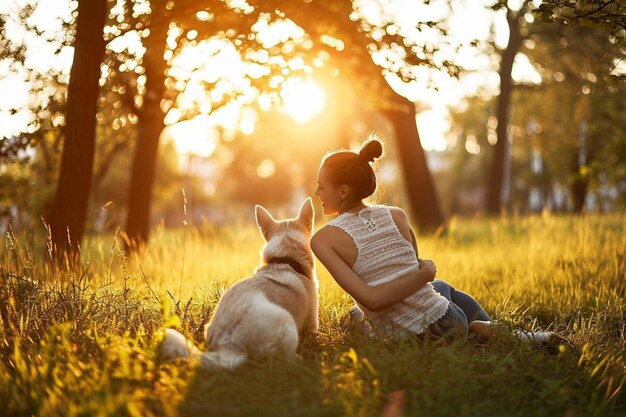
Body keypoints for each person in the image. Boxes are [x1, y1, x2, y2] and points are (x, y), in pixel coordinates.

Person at [310, 135, 560, 344]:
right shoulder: (396, 215)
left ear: (343, 191)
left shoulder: (322, 240)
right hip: (449, 321)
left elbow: (373, 301)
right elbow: (414, 274)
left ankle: (485, 330)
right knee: (439, 287)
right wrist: (425, 274)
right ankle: (499, 331)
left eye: (321, 186)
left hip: (402, 339)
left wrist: (422, 276)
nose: (317, 192)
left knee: (361, 315)